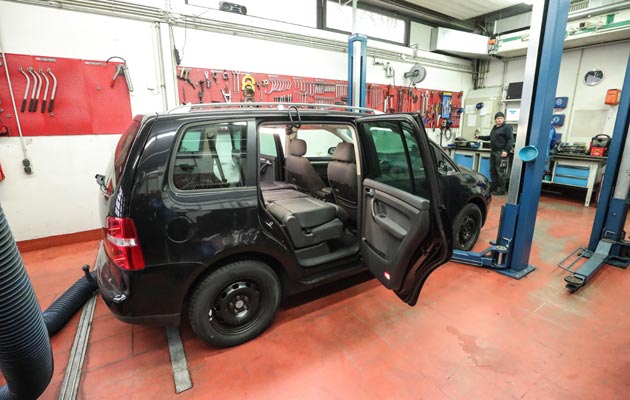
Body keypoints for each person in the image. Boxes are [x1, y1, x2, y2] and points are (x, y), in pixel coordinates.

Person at [476, 112, 514, 195]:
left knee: (500, 171)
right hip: (493, 151)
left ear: (503, 119)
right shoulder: (495, 128)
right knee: (493, 171)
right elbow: (490, 137)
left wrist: (506, 151)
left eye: (501, 118)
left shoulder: (507, 128)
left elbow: (511, 140)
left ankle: (501, 190)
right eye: (498, 118)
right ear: (495, 120)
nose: (499, 120)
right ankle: (494, 187)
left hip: (501, 152)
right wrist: (479, 137)